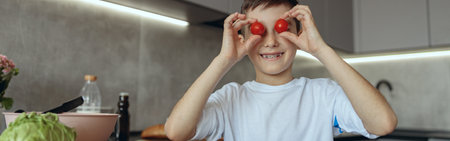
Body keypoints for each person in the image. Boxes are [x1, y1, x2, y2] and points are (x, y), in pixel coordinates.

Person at [165, 0, 397, 140]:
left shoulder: (323, 95)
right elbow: (176, 131)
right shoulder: (231, 98)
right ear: (242, 38)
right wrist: (224, 60)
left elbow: (383, 124)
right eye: (258, 30)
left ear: (298, 34)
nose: (270, 42)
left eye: (281, 28)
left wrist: (321, 49)